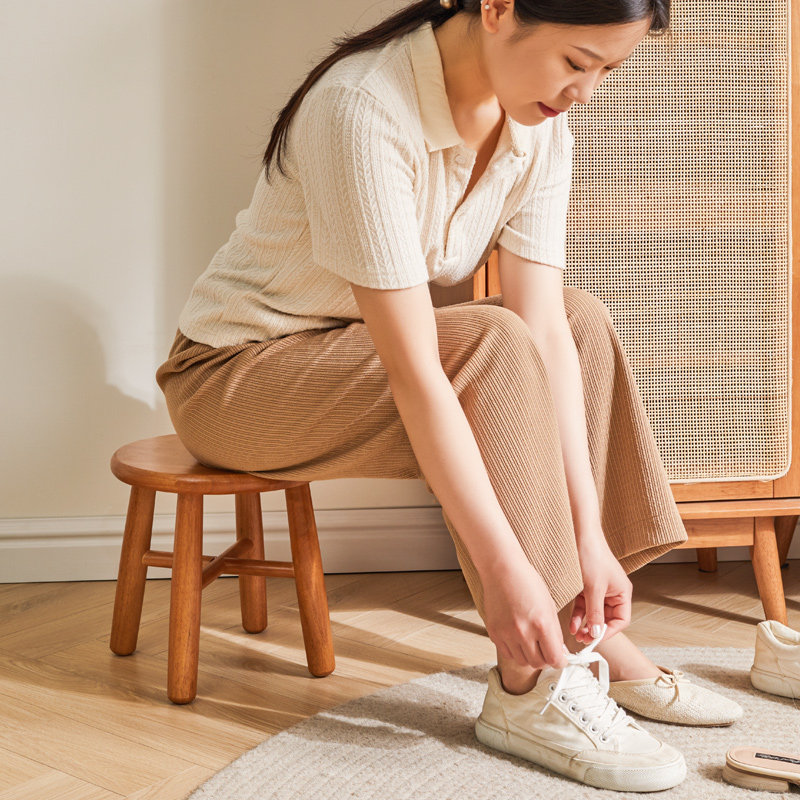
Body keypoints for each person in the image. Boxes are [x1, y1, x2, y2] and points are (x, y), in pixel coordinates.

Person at [155, 0, 742, 791]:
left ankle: (586, 633)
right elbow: (419, 371)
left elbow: (548, 334)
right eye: (576, 61)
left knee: (579, 318)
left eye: (608, 70)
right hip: (236, 380)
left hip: (346, 363)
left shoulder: (538, 126)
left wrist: (590, 538)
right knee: (490, 346)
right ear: (497, 8)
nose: (587, 92)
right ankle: (529, 683)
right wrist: (505, 574)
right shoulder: (363, 108)